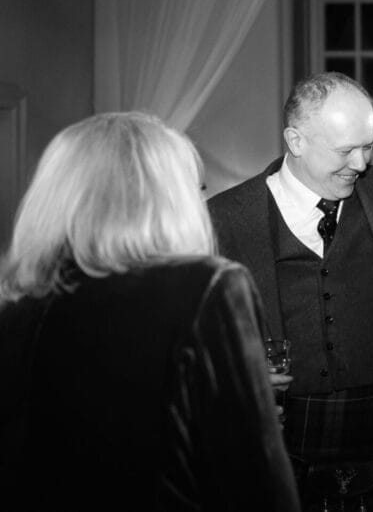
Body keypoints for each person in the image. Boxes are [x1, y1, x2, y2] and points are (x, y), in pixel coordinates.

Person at [0, 112, 299, 510]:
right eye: (196, 190)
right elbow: (253, 487)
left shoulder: (15, 300)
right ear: (167, 198)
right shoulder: (207, 287)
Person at [208, 73, 373, 512]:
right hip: (286, 432)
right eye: (345, 151)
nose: (361, 163)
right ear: (296, 141)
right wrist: (234, 378)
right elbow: (198, 331)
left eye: (369, 145)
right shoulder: (226, 218)